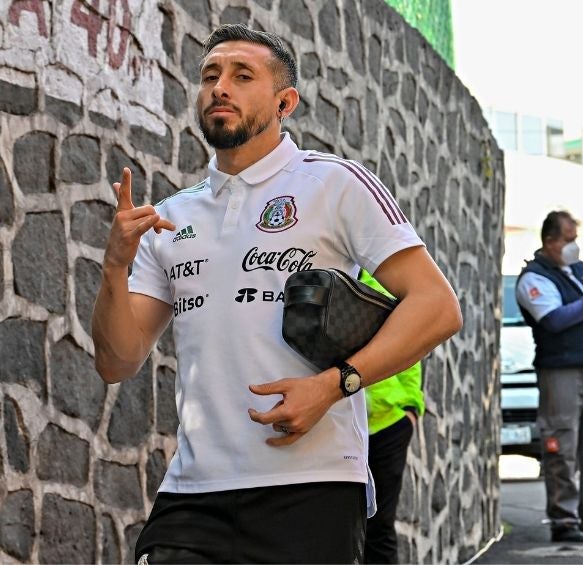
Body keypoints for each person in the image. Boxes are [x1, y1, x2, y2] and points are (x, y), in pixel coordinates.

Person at [91, 24, 462, 563]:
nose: (221, 87)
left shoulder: (337, 183)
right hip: (192, 494)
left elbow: (437, 307)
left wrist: (336, 386)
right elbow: (116, 361)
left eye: (243, 76)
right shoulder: (171, 217)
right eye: (210, 75)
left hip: (314, 486)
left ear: (285, 101)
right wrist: (113, 266)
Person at [515, 210, 583, 543]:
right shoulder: (534, 278)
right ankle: (564, 519)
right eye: (568, 239)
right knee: (562, 446)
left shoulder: (579, 270)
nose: (574, 246)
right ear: (550, 240)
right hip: (562, 372)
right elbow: (554, 319)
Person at [359, 270, 424, 564]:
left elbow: (410, 347)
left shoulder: (383, 286)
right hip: (334, 426)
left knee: (380, 525)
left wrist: (411, 407)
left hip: (387, 426)